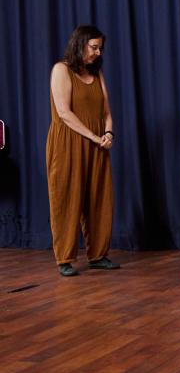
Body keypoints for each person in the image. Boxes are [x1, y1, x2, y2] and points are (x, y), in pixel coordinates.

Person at [46, 25, 119, 276]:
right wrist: (94, 136)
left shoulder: (97, 75)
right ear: (80, 44)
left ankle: (98, 254)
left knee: (99, 197)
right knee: (66, 198)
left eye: (100, 48)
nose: (98, 53)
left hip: (97, 143)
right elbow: (64, 113)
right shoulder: (61, 70)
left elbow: (107, 112)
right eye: (94, 47)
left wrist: (108, 134)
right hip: (68, 143)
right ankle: (64, 258)